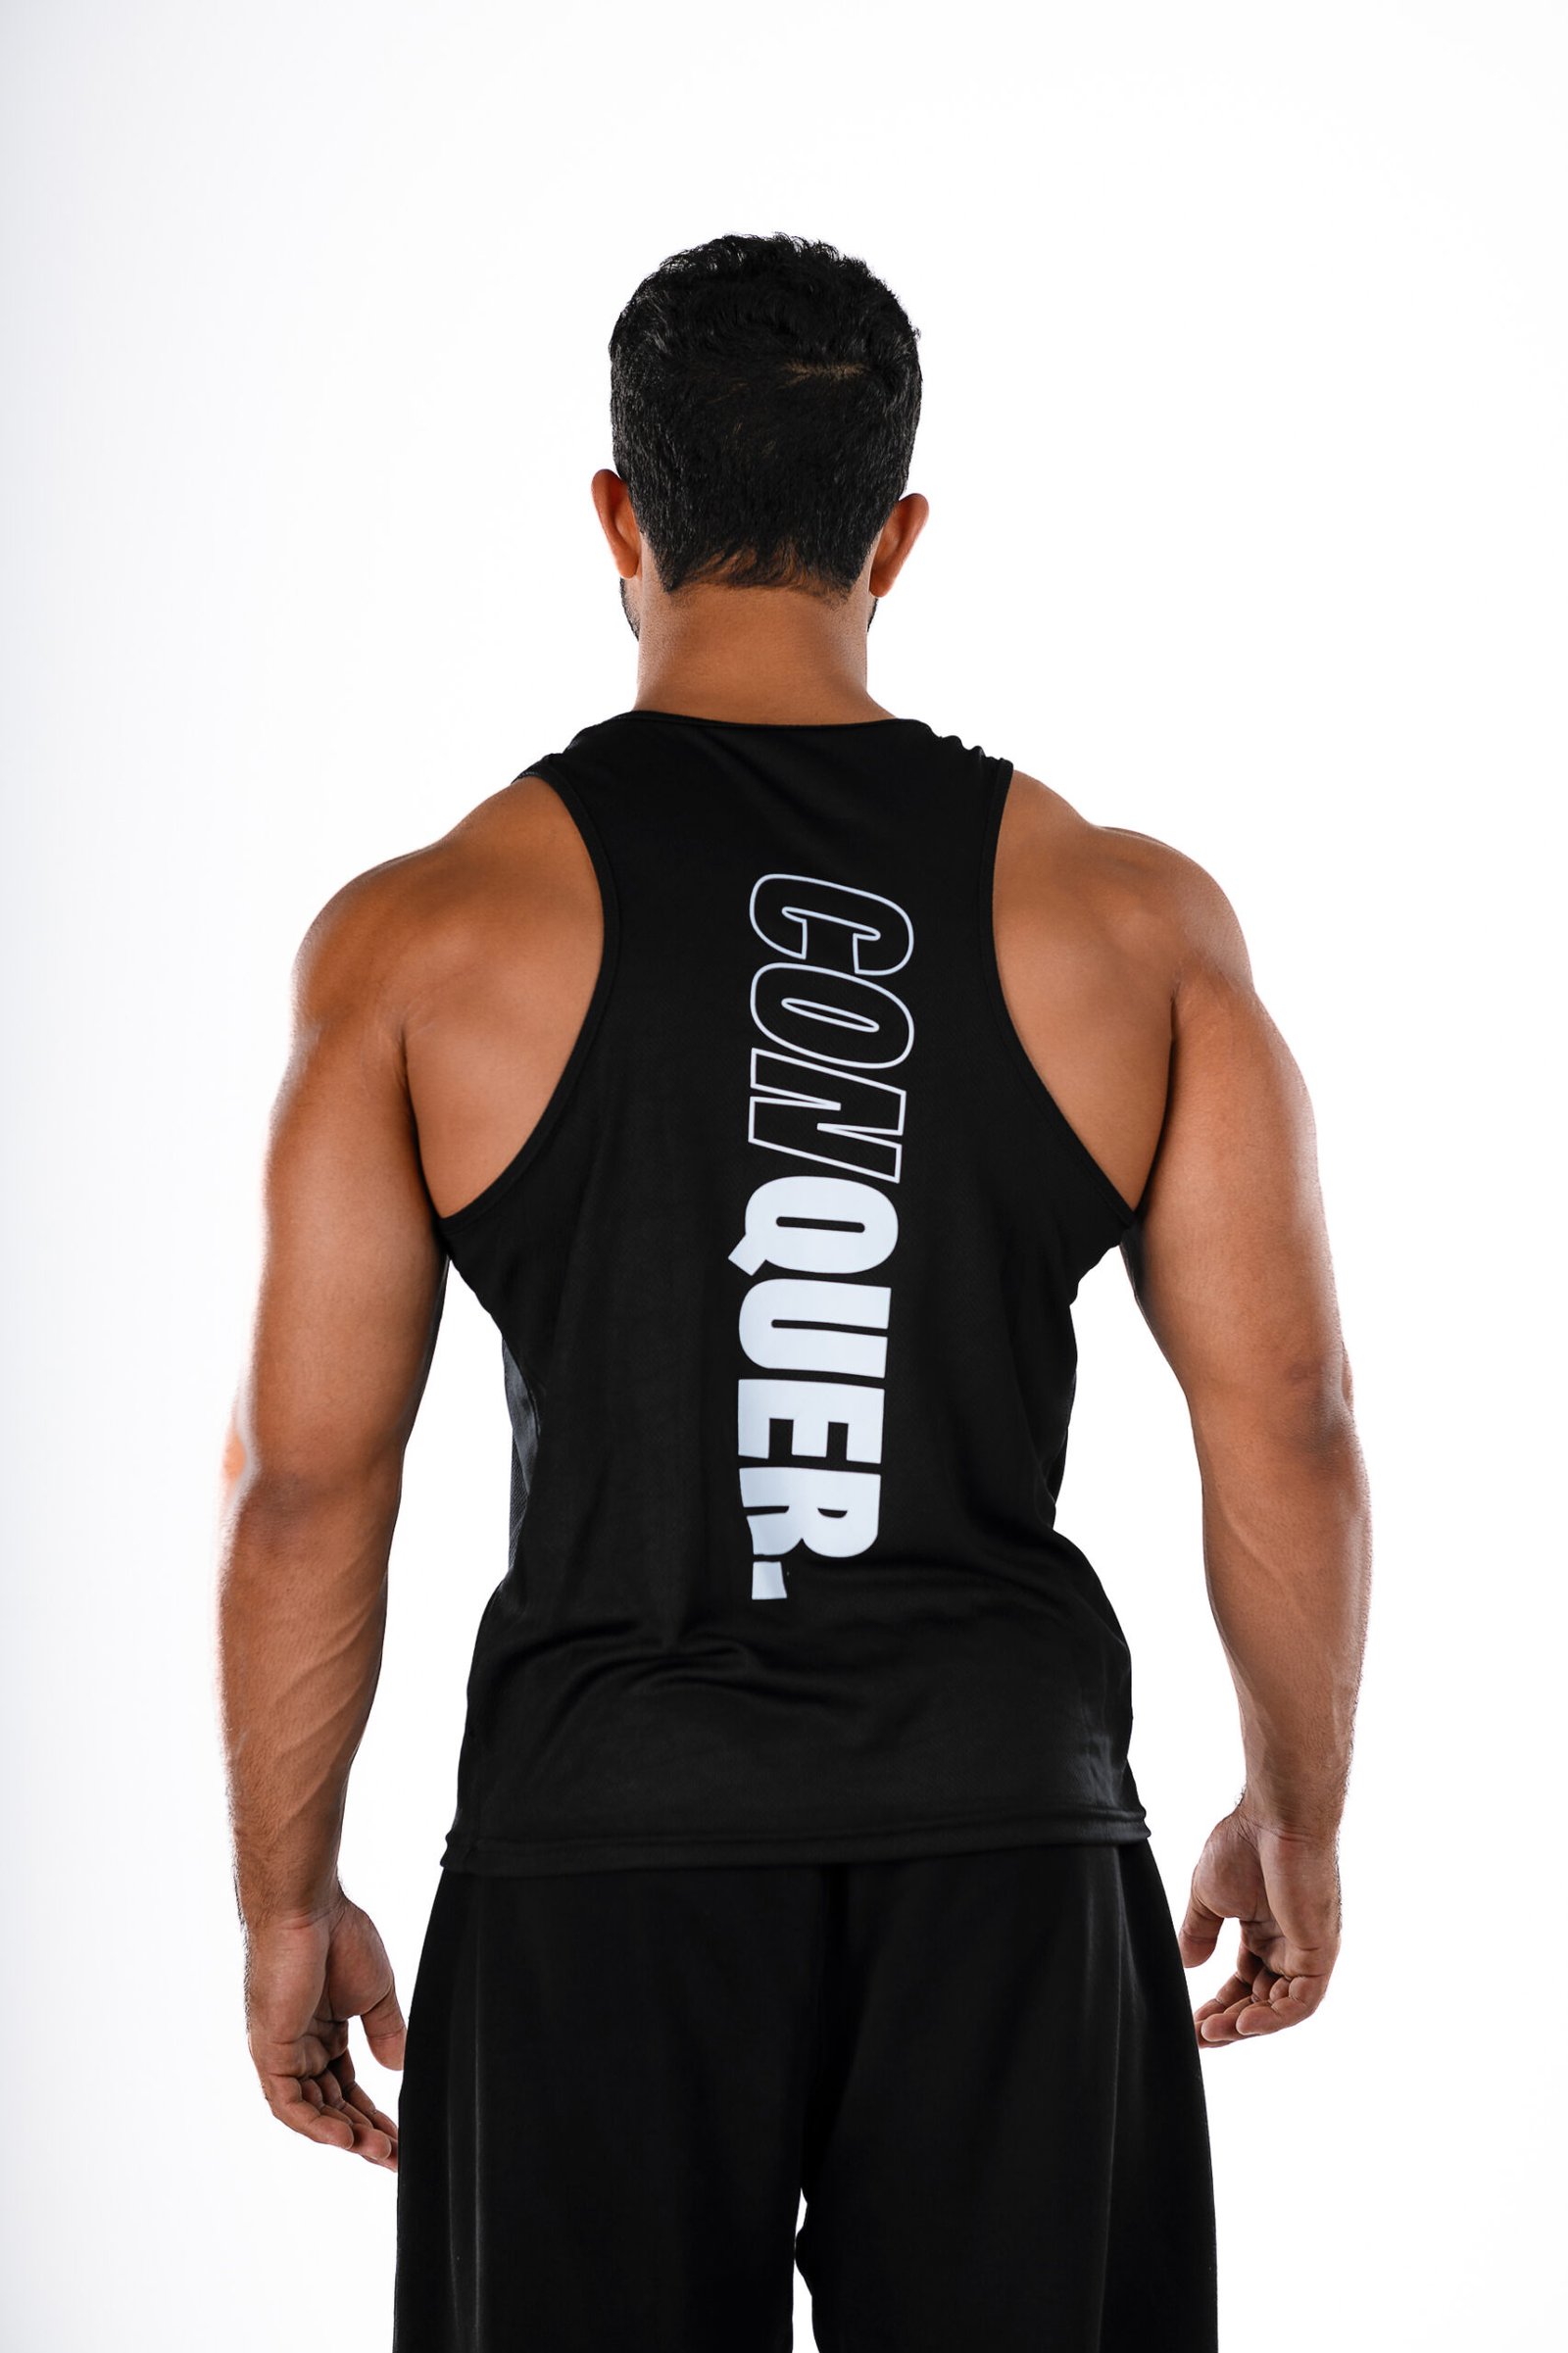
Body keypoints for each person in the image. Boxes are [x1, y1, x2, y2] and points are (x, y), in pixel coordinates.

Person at [218, 231, 1371, 2353]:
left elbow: (304, 1486)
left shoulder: (420, 940)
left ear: (618, 516)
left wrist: (286, 1900)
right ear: (894, 536)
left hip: (601, 1856)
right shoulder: (1127, 922)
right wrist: (1293, 1811)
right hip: (1006, 1855)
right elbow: (1286, 1415)